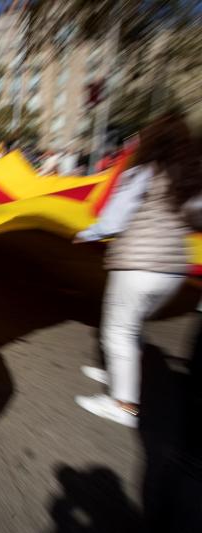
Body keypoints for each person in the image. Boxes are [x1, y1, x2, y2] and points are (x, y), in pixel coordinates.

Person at [73, 112, 202, 427]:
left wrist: (87, 233)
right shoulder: (189, 179)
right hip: (172, 271)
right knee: (132, 327)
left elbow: (116, 219)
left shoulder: (143, 172)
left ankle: (124, 405)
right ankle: (117, 373)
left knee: (119, 331)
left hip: (138, 265)